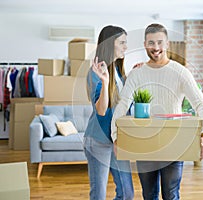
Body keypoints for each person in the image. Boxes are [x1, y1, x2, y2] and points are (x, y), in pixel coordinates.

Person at [111, 23, 203, 200]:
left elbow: (201, 104)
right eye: (151, 43)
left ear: (167, 44)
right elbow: (122, 105)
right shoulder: (137, 74)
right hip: (145, 143)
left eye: (160, 42)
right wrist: (116, 136)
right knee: (149, 195)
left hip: (174, 143)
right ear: (145, 44)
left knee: (171, 195)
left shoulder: (180, 72)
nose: (156, 48)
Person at [84, 25, 134, 200]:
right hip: (98, 141)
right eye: (122, 43)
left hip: (117, 140)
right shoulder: (96, 72)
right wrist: (105, 82)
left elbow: (125, 103)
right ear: (109, 44)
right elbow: (101, 110)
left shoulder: (119, 71)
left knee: (127, 193)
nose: (125, 47)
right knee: (98, 195)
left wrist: (137, 74)